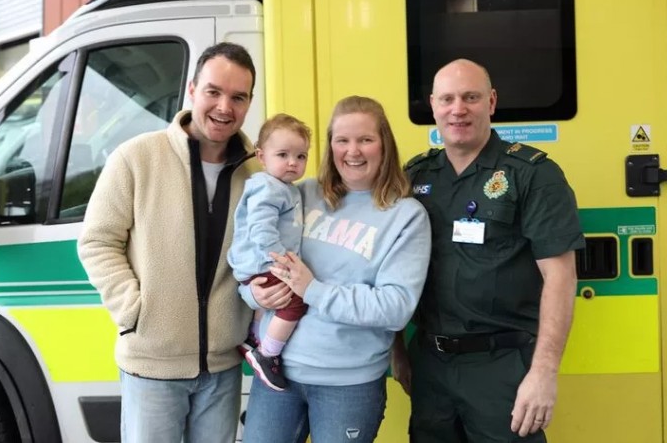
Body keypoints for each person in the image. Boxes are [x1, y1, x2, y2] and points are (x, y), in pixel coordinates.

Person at [78, 42, 265, 443]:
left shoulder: (257, 173)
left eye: (238, 97)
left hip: (223, 368)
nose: (224, 107)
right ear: (193, 90)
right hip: (152, 366)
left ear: (249, 103)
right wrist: (134, 311)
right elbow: (97, 241)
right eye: (214, 92)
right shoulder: (136, 157)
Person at [393, 59, 585, 443]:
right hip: (431, 365)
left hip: (503, 367)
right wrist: (397, 350)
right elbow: (389, 267)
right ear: (432, 105)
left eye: (471, 97)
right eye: (447, 99)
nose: (457, 109)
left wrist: (544, 372)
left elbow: (560, 277)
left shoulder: (532, 174)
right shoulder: (415, 176)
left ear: (492, 102)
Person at [240, 95, 431, 443]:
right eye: (342, 140)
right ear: (330, 146)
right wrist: (251, 292)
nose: (352, 151)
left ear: (384, 144)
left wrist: (312, 289)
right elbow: (254, 252)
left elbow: (395, 308)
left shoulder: (407, 217)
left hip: (348, 385)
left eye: (365, 139)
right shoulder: (300, 193)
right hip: (277, 375)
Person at [228, 113, 312, 392]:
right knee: (296, 302)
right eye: (283, 155)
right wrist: (283, 262)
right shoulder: (268, 187)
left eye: (301, 156)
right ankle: (268, 354)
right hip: (266, 262)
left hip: (261, 264)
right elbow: (261, 230)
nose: (293, 162)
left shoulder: (283, 188)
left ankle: (253, 338)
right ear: (261, 156)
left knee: (273, 304)